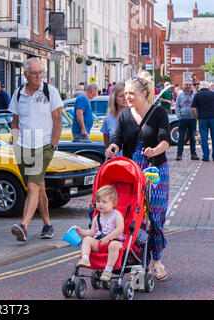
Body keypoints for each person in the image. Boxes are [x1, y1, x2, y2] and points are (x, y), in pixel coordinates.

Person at [105, 72, 171, 281]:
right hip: (131, 169)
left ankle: (156, 260)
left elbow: (165, 140)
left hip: (155, 169)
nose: (127, 97)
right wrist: (112, 149)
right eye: (125, 93)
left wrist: (155, 150)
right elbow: (116, 139)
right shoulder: (124, 115)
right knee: (133, 214)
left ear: (144, 93)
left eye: (131, 93)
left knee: (155, 216)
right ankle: (136, 259)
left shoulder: (159, 113)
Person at [8, 57, 63, 242]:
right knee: (39, 187)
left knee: (32, 186)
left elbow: (57, 120)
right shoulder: (18, 94)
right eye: (34, 73)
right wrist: (15, 143)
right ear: (25, 75)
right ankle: (47, 224)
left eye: (41, 73)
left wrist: (53, 144)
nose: (39, 76)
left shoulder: (50, 91)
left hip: (44, 145)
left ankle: (23, 226)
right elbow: (15, 121)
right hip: (23, 146)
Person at [73, 185, 125, 282]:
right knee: (87, 239)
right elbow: (92, 232)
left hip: (114, 241)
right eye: (98, 201)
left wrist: (108, 238)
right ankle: (85, 258)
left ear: (113, 204)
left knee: (113, 245)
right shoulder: (97, 217)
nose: (100, 204)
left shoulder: (116, 215)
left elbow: (120, 229)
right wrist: (81, 231)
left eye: (104, 202)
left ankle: (108, 270)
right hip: (100, 242)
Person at [100, 82, 127, 155]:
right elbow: (107, 145)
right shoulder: (108, 120)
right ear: (114, 98)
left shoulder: (136, 118)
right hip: (114, 161)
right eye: (121, 96)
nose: (125, 98)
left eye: (126, 95)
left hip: (130, 162)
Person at [175, 81, 198, 161]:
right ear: (184, 86)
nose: (188, 86)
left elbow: (197, 106)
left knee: (192, 137)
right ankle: (179, 154)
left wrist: (196, 116)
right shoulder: (180, 95)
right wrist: (179, 116)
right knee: (181, 137)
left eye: (190, 85)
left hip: (192, 119)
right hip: (183, 119)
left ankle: (193, 154)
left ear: (192, 86)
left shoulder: (195, 95)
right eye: (186, 85)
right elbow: (177, 106)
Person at [191, 81, 214, 161]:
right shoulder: (212, 93)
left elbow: (193, 108)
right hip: (213, 118)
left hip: (202, 118)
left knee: (204, 138)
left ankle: (206, 156)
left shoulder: (197, 95)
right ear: (208, 86)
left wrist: (197, 117)